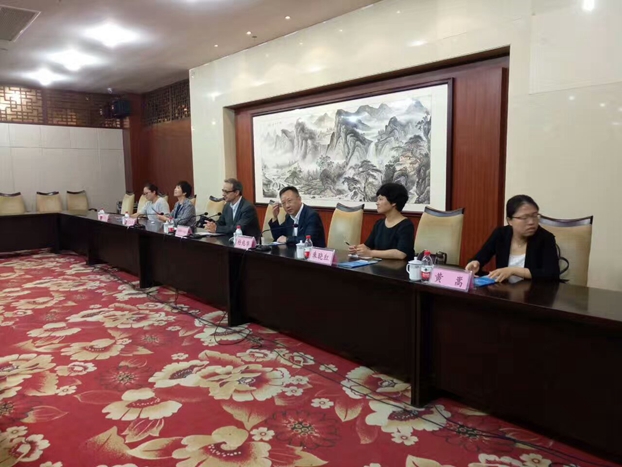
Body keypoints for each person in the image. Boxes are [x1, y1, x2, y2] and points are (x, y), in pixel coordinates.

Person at [465, 194, 560, 283]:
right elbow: (480, 257)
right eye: (524, 217)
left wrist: (513, 270)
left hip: (533, 292)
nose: (531, 222)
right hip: (503, 290)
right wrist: (475, 263)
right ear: (510, 220)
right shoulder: (501, 234)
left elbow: (551, 274)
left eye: (535, 216)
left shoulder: (546, 238)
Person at [348, 182, 415, 260]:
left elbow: (401, 254)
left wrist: (370, 253)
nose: (377, 203)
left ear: (393, 203)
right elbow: (368, 246)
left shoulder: (406, 225)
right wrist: (357, 249)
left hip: (399, 267)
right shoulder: (379, 224)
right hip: (378, 265)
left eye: (380, 199)